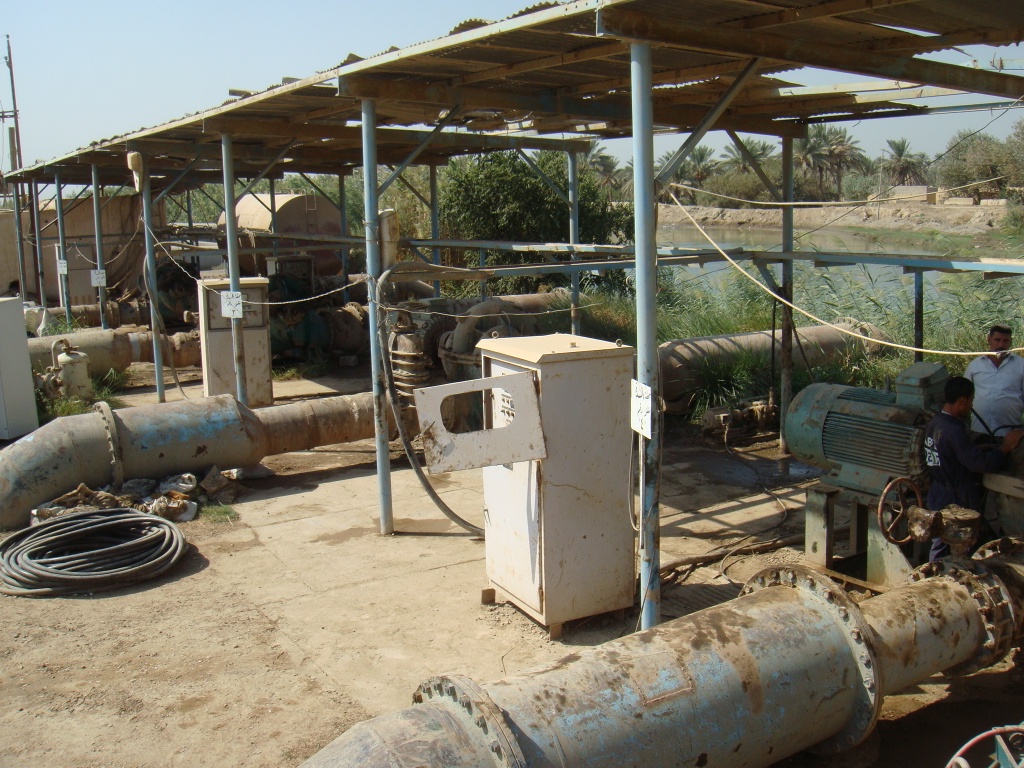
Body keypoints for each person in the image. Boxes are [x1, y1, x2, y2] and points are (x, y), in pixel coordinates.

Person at [925, 376, 1024, 560]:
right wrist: (1005, 447)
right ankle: (934, 582)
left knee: (942, 541)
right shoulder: (954, 430)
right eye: (971, 401)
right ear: (962, 401)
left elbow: (948, 452)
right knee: (948, 547)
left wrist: (974, 449)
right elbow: (979, 464)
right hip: (955, 499)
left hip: (938, 492)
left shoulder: (936, 423)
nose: (971, 406)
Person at [965, 324, 1024, 437]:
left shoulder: (1021, 365)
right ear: (989, 339)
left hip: (1011, 434)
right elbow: (963, 397)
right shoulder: (975, 366)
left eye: (1005, 341)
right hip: (978, 432)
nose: (1001, 345)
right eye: (997, 340)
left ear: (1010, 342)